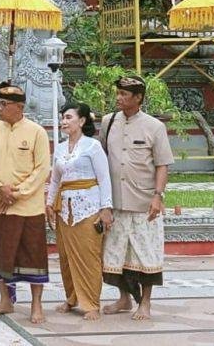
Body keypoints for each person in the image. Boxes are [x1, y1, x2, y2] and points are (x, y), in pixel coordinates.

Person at [100, 75, 173, 321]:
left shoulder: (154, 127)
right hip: (115, 202)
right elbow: (101, 158)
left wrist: (158, 196)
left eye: (124, 94)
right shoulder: (108, 122)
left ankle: (146, 302)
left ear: (138, 97)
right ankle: (124, 298)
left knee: (146, 255)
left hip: (144, 204)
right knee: (116, 254)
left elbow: (162, 165)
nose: (119, 98)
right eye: (118, 93)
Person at [0, 81, 52, 325]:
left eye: (4, 104)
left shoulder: (36, 132)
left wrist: (17, 193)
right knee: (1, 254)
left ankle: (36, 304)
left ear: (19, 107)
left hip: (29, 207)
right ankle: (5, 300)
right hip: (0, 204)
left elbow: (42, 169)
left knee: (33, 256)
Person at [46, 102, 113, 321]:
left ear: (82, 121)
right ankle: (72, 298)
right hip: (65, 208)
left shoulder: (92, 147)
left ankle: (91, 302)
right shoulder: (60, 148)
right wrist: (49, 204)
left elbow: (104, 178)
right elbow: (55, 179)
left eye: (68, 117)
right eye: (62, 118)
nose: (64, 122)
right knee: (65, 257)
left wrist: (106, 208)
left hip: (89, 207)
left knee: (88, 256)